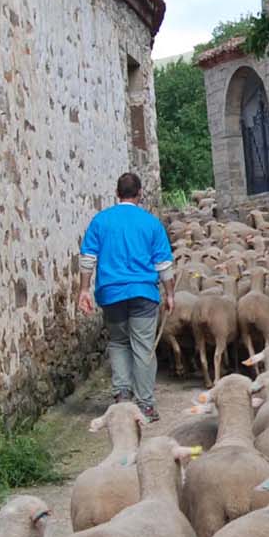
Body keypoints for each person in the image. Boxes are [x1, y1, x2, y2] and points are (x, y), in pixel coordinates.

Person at [77, 170, 176, 423]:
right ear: (140, 194)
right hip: (144, 292)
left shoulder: (101, 221)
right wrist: (170, 294)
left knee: (119, 342)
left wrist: (84, 290)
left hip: (111, 293)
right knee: (143, 347)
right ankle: (146, 406)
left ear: (116, 194)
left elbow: (88, 259)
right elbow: (164, 265)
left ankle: (122, 396)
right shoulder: (151, 223)